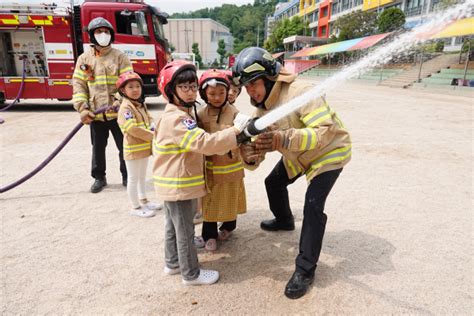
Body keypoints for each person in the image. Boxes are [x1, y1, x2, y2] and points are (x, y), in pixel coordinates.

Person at [232, 47, 351, 299]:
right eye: (246, 86)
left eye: (254, 83)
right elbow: (255, 160)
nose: (250, 91)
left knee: (313, 206)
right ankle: (285, 220)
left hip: (328, 153)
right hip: (299, 156)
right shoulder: (262, 112)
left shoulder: (301, 92)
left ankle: (305, 270)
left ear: (270, 77)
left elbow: (325, 132)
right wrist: (248, 153)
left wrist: (281, 139)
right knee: (273, 182)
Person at [153, 61, 250, 285]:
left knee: (173, 227)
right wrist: (236, 132)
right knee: (185, 231)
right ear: (170, 90)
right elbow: (204, 143)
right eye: (183, 87)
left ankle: (173, 263)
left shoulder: (177, 115)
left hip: (171, 184)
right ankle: (191, 274)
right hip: (180, 185)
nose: (190, 92)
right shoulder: (178, 119)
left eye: (192, 87)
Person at [72, 17, 133, 193]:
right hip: (95, 114)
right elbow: (79, 85)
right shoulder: (84, 59)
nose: (103, 35)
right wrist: (83, 108)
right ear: (92, 36)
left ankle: (127, 176)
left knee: (124, 147)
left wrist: (119, 102)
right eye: (99, 32)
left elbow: (128, 82)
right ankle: (99, 177)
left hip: (118, 113)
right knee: (98, 148)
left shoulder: (120, 57)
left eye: (106, 32)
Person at [197, 69, 247, 251]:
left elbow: (242, 137)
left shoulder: (235, 113)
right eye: (212, 94)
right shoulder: (201, 114)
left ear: (228, 92)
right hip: (210, 167)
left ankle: (228, 227)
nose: (217, 97)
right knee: (209, 202)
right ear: (204, 94)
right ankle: (208, 234)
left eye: (221, 93)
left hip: (231, 166)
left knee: (229, 198)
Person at [116, 71, 162, 218]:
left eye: (138, 86)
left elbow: (149, 119)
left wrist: (153, 126)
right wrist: (153, 135)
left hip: (143, 149)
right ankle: (135, 206)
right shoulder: (126, 108)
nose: (135, 90)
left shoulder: (140, 104)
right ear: (123, 90)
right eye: (131, 87)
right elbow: (131, 128)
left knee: (142, 177)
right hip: (133, 150)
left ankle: (144, 200)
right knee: (133, 178)